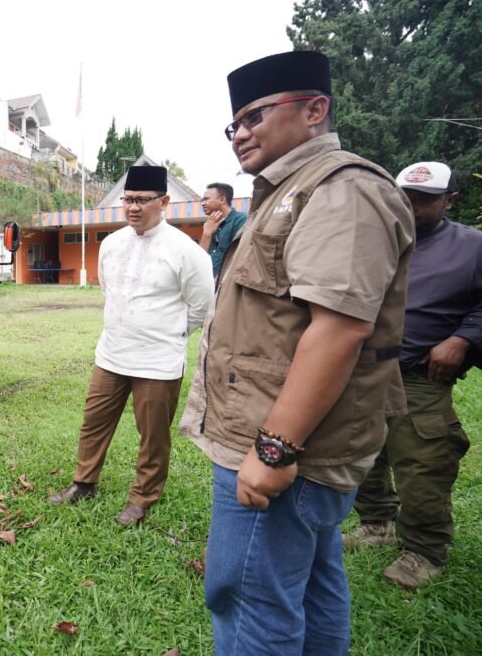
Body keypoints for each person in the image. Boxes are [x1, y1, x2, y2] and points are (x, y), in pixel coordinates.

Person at [178, 50, 414, 655]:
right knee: (310, 585)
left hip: (287, 449)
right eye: (234, 124)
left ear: (315, 110)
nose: (241, 134)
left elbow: (338, 331)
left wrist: (274, 448)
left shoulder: (342, 190)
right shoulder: (287, 191)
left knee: (249, 597)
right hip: (275, 435)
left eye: (255, 116)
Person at [49, 165, 213, 526]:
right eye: (127, 200)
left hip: (157, 360)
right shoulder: (112, 243)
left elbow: (202, 305)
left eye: (142, 200)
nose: (133, 207)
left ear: (164, 201)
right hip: (112, 354)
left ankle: (142, 498)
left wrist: (169, 333)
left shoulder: (186, 251)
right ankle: (84, 483)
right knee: (94, 422)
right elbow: (109, 290)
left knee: (153, 435)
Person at [343, 161, 480, 589]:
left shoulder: (472, 247)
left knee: (423, 460)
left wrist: (464, 339)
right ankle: (377, 522)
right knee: (360, 452)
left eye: (424, 200)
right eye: (405, 197)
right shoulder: (373, 239)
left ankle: (424, 549)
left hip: (418, 374)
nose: (412, 206)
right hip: (363, 368)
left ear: (450, 200)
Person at [199, 182, 246, 278]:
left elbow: (239, 258)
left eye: (206, 199)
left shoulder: (241, 220)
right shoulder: (210, 224)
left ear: (222, 199)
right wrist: (206, 235)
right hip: (209, 283)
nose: (203, 203)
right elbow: (199, 258)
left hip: (227, 285)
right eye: (202, 200)